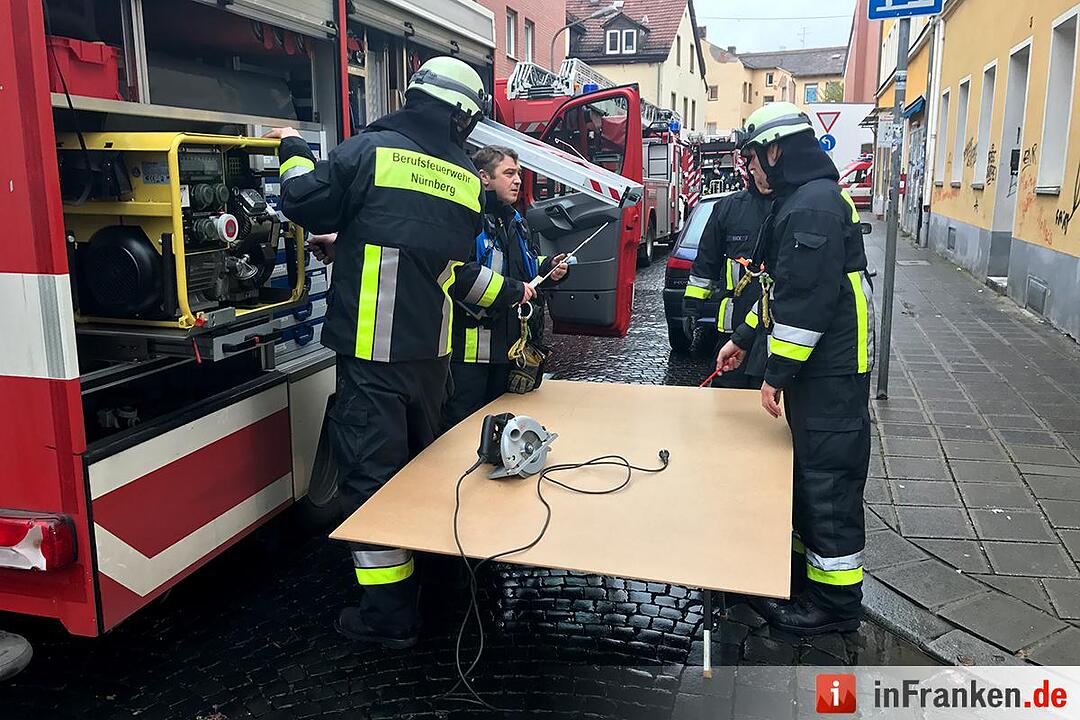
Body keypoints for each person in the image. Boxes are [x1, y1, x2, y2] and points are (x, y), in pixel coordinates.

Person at [265, 56, 534, 649]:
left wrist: (290, 149)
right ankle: (438, 578)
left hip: (371, 356)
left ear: (413, 97)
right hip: (431, 358)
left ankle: (388, 616)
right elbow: (429, 254)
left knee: (372, 478)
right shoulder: (466, 178)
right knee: (422, 470)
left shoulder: (370, 151)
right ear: (463, 119)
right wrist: (356, 243)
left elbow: (303, 201)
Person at [715, 102, 876, 635]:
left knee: (827, 482)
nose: (750, 168)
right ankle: (812, 585)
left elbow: (805, 305)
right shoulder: (805, 201)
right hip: (823, 372)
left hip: (829, 376)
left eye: (754, 156)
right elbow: (779, 292)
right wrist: (742, 339)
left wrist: (775, 373)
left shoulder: (812, 208)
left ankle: (834, 607)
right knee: (812, 477)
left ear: (777, 151)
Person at [442, 145, 569, 429]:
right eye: (509, 173)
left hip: (507, 352)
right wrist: (513, 290)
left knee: (501, 431)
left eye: (519, 174)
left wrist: (548, 267)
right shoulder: (468, 219)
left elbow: (520, 265)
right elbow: (460, 277)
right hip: (470, 357)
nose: (518, 180)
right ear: (483, 177)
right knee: (462, 432)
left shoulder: (513, 219)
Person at [682, 150, 771, 389]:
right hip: (733, 326)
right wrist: (692, 307)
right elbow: (706, 263)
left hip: (777, 333)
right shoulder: (729, 208)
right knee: (726, 405)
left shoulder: (792, 207)